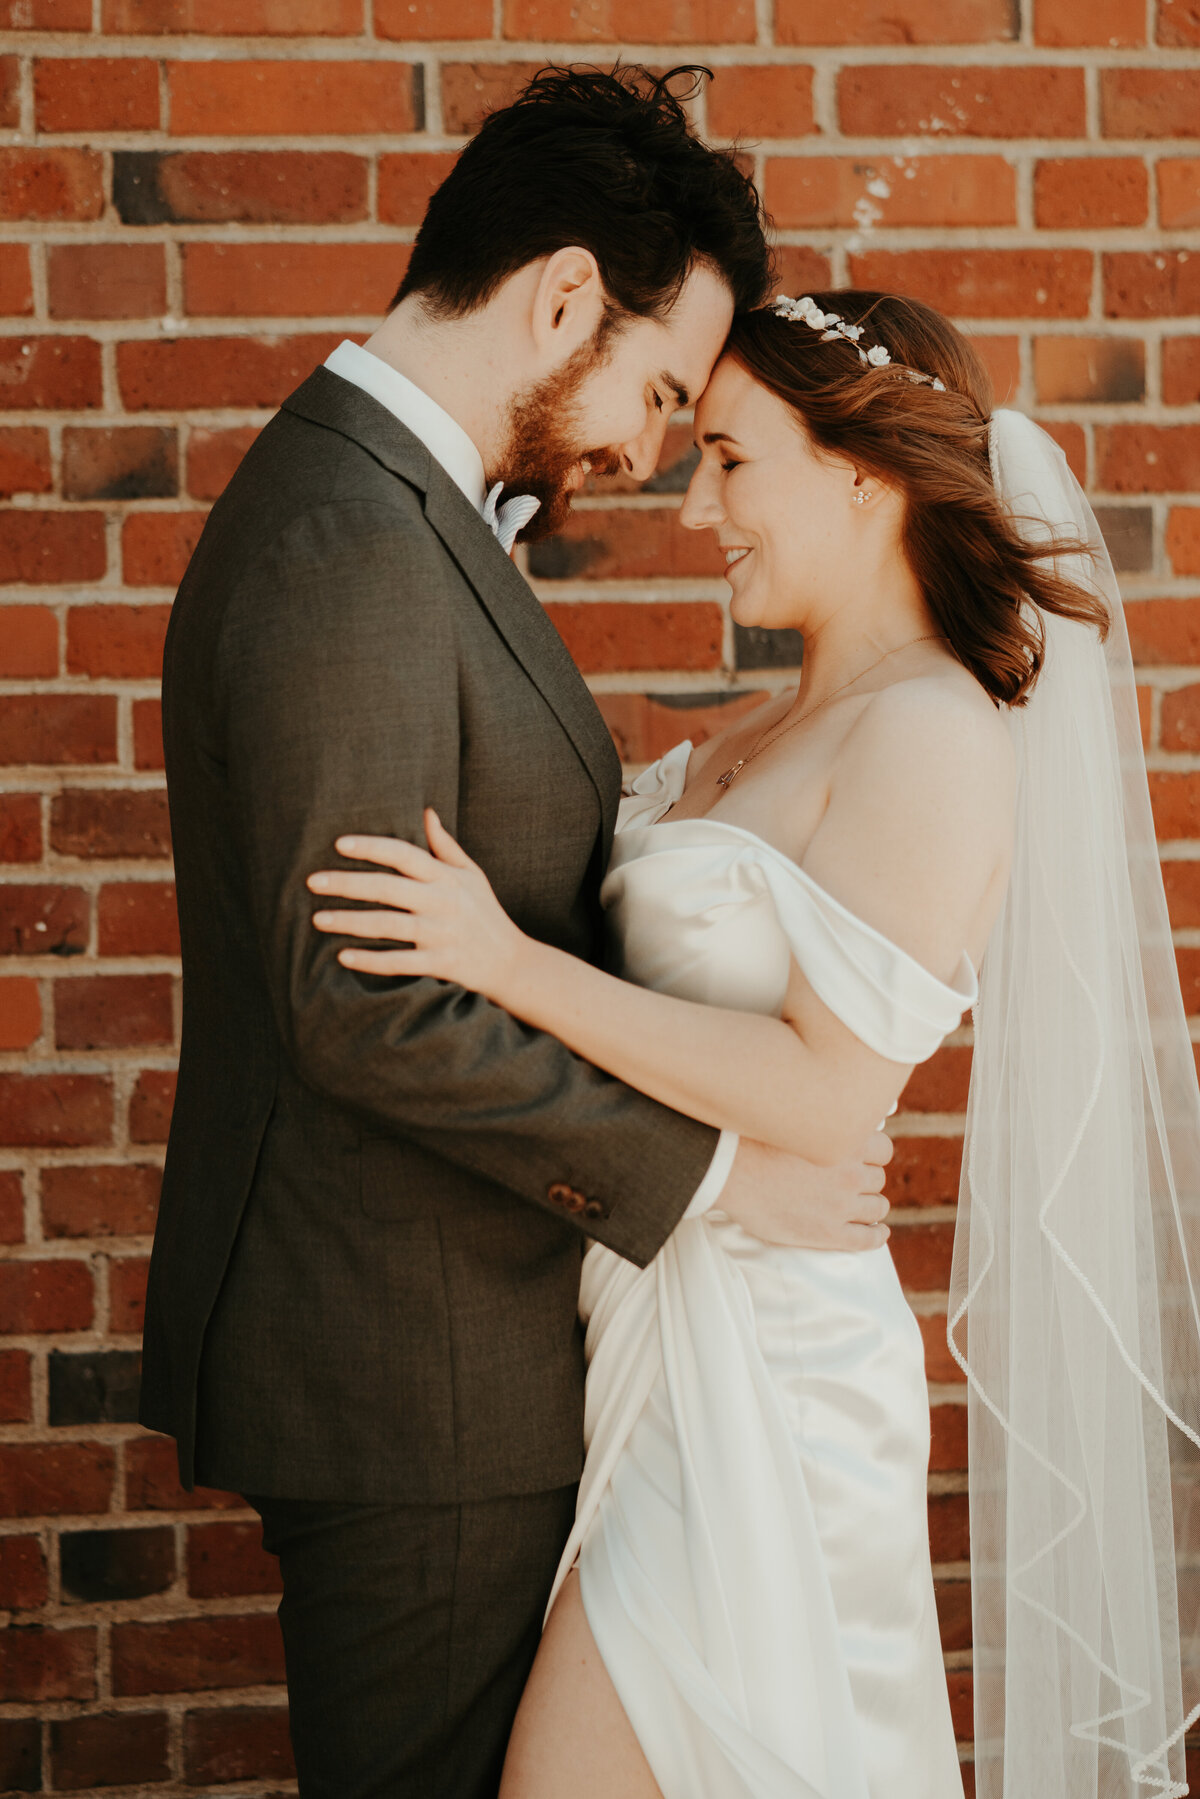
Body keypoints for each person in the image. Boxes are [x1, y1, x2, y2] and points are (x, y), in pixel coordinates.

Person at [311, 290, 1200, 1799]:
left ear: (862, 475)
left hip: (774, 1377)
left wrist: (503, 964)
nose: (697, 508)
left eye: (732, 461)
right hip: (643, 1323)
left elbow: (828, 1090)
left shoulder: (935, 733)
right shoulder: (751, 730)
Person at [138, 69, 895, 1799]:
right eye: (654, 386)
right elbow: (367, 1004)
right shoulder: (349, 540)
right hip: (413, 1381)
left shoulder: (403, 517)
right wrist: (715, 1178)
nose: (644, 448)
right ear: (563, 295)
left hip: (443, 1351)